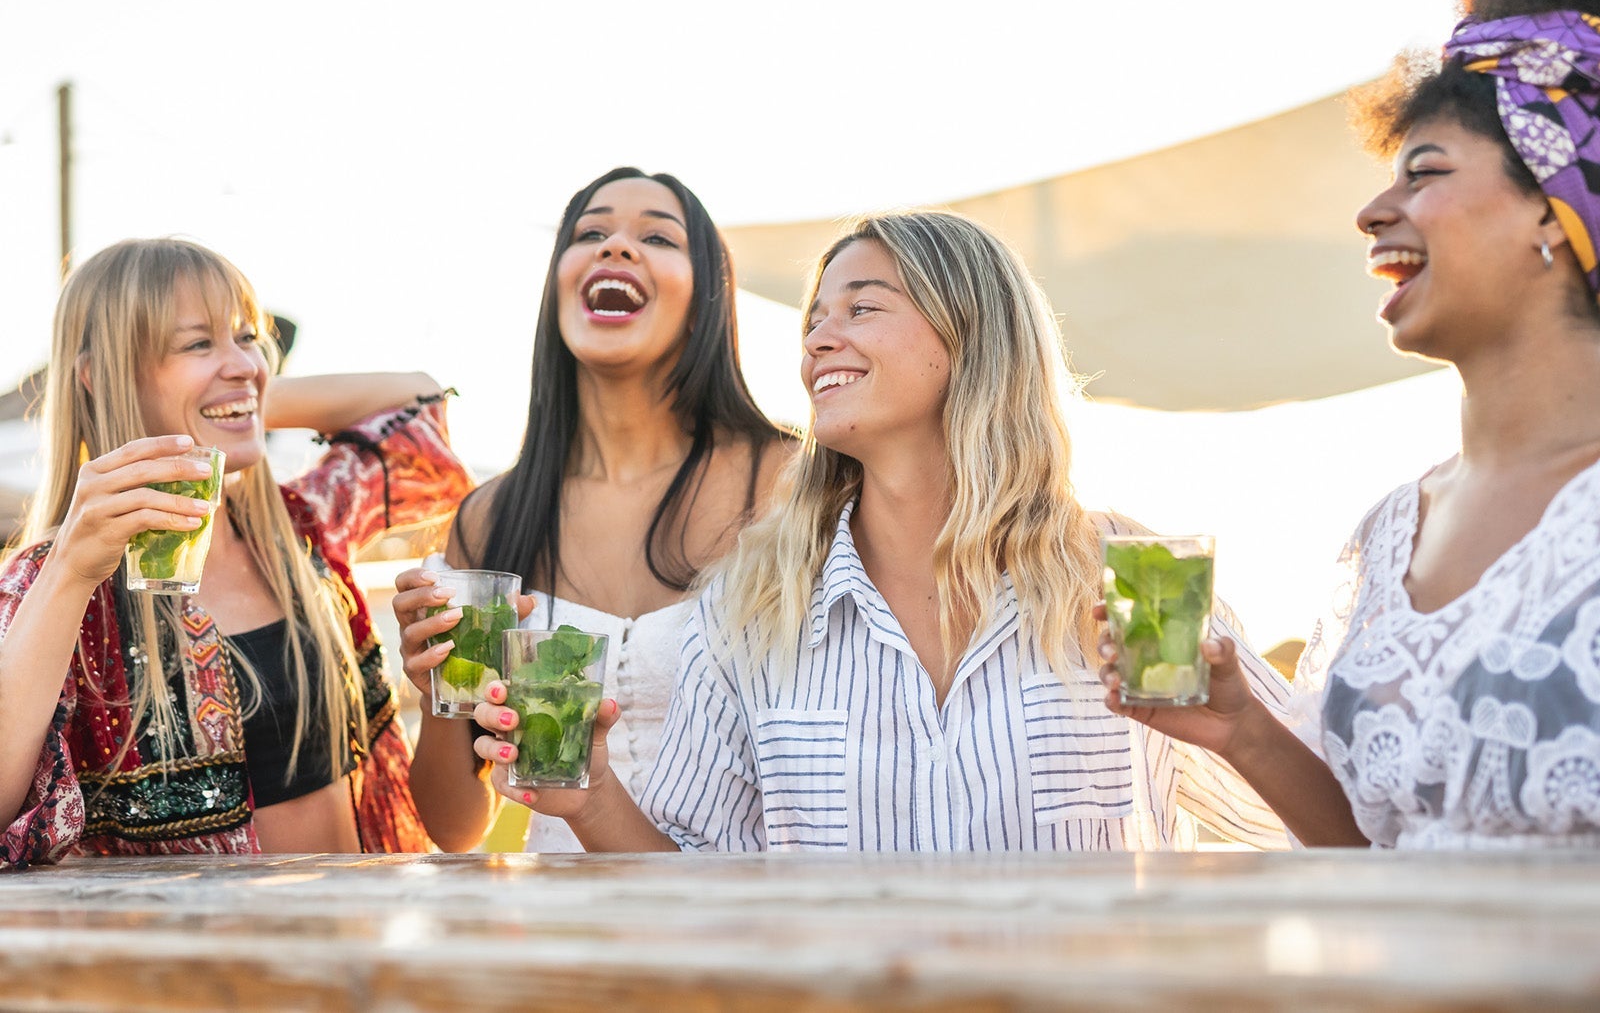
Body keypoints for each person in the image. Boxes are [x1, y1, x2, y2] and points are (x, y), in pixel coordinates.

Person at [468, 209, 1293, 852]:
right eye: (813, 321)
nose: (819, 340)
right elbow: (691, 878)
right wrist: (592, 798)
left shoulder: (1129, 577)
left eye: (862, 307)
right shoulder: (748, 609)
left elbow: (1325, 813)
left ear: (973, 335)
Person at [1098, 0, 1600, 849]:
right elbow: (1382, 850)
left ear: (1552, 204)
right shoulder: (1385, 536)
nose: (1374, 209)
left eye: (1427, 171)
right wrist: (1243, 730)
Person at [0, 238, 471, 866]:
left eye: (248, 337)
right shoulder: (48, 582)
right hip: (187, 963)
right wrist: (70, 572)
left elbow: (419, 408)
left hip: (354, 954)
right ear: (98, 375)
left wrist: (236, 401)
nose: (245, 361)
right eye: (197, 343)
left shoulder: (306, 528)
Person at [393, 167, 792, 852]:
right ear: (558, 287)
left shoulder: (788, 482)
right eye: (592, 232)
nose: (617, 247)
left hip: (747, 922)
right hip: (563, 929)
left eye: (658, 236)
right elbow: (456, 829)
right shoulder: (491, 516)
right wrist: (437, 690)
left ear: (707, 299)